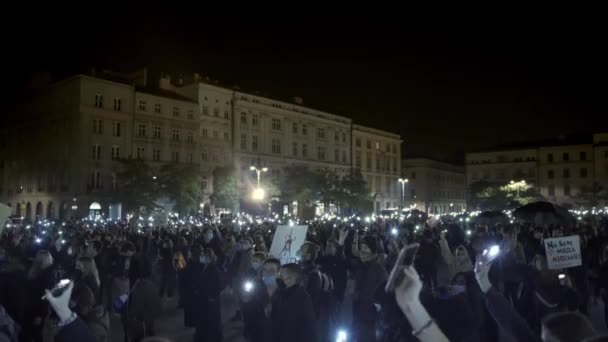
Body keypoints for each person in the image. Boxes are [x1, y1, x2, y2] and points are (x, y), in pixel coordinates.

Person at [351, 234, 388, 342]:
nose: (362, 252)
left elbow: (385, 295)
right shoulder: (362, 266)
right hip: (359, 315)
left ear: (372, 251)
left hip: (371, 319)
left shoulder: (379, 270)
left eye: (366, 248)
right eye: (361, 248)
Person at [182, 245, 222, 342]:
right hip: (202, 298)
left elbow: (218, 284)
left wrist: (212, 296)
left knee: (212, 320)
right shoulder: (200, 266)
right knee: (202, 320)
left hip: (211, 299)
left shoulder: (213, 268)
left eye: (206, 256)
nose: (203, 257)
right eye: (203, 255)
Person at [271, 263, 317, 342]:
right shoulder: (281, 293)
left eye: (281, 276)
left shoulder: (301, 298)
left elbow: (292, 326)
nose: (278, 278)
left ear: (292, 278)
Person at [22, 250, 57, 342]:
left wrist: (40, 315)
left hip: (36, 309)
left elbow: (46, 297)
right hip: (31, 307)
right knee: (31, 332)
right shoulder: (38, 272)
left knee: (34, 333)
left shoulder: (48, 275)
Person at [123, 261, 162, 342]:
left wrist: (130, 315)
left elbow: (134, 307)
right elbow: (157, 303)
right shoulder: (152, 286)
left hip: (139, 319)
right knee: (150, 332)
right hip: (149, 317)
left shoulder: (138, 287)